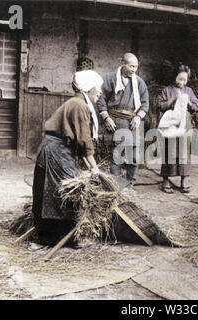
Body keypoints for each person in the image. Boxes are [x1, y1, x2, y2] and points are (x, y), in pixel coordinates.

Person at [32, 70, 102, 243]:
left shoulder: (76, 103)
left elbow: (79, 144)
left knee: (57, 191)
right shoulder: (79, 105)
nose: (99, 92)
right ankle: (56, 237)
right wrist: (95, 168)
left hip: (56, 149)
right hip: (56, 152)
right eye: (97, 88)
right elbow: (84, 141)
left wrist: (90, 166)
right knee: (63, 192)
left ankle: (56, 235)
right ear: (87, 89)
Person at [97, 53, 149, 188]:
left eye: (136, 67)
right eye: (131, 66)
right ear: (123, 64)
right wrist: (106, 117)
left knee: (134, 157)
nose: (134, 69)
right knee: (116, 155)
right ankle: (115, 185)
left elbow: (145, 103)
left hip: (131, 123)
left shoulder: (139, 82)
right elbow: (101, 98)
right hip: (114, 121)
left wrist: (138, 117)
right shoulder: (109, 78)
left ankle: (130, 184)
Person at [157, 64, 198, 193]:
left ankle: (184, 180)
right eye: (180, 79)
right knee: (169, 151)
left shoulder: (189, 91)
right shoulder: (167, 90)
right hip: (171, 124)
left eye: (185, 80)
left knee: (184, 151)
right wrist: (172, 100)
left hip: (184, 125)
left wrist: (189, 103)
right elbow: (160, 105)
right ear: (174, 77)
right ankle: (165, 180)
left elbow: (196, 106)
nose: (182, 82)